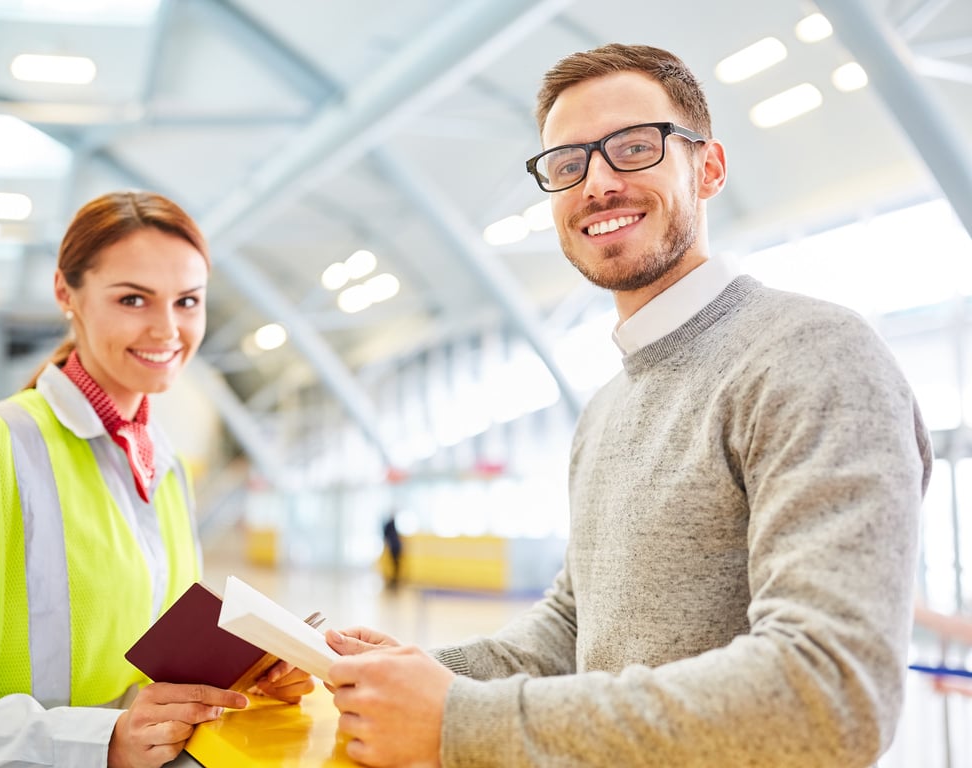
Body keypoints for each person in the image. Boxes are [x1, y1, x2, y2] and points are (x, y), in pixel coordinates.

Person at [323, 43, 934, 767]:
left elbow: (830, 694)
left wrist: (460, 718)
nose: (598, 182)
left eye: (635, 148)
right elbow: (571, 630)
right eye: (567, 164)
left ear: (708, 168)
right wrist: (412, 676)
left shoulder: (812, 355)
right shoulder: (607, 409)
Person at [0, 190, 313, 768]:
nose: (167, 329)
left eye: (187, 301)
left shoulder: (166, 466)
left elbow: (143, 680)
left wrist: (240, 683)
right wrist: (106, 741)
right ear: (65, 294)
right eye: (134, 299)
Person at [381, 510, 403, 590]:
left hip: (396, 547)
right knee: (394, 565)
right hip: (394, 547)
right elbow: (386, 536)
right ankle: (393, 581)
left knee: (396, 565)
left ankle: (394, 581)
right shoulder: (390, 525)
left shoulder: (393, 525)